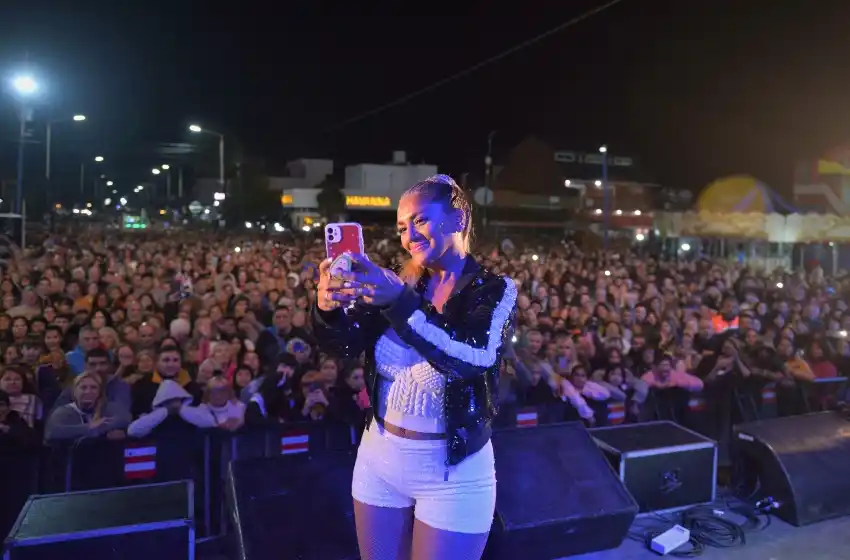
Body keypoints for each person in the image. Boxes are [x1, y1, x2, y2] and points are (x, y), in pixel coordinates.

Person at [314, 174, 517, 560]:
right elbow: (343, 345)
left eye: (420, 221)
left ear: (458, 219)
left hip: (451, 475)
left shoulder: (494, 291)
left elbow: (469, 358)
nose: (409, 237)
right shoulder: (396, 280)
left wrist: (400, 303)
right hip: (379, 459)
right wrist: (328, 310)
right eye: (402, 228)